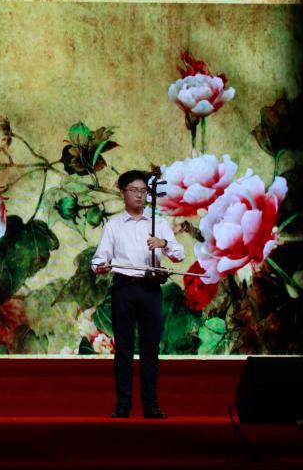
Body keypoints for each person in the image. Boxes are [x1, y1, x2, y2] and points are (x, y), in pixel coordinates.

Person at [91, 170, 184, 419]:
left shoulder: (158, 223)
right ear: (123, 193)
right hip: (123, 287)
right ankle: (123, 404)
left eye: (143, 191)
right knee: (123, 348)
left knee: (150, 349)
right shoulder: (113, 225)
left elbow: (179, 255)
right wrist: (100, 266)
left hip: (150, 288)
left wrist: (163, 244)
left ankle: (151, 405)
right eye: (134, 190)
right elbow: (99, 259)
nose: (139, 195)